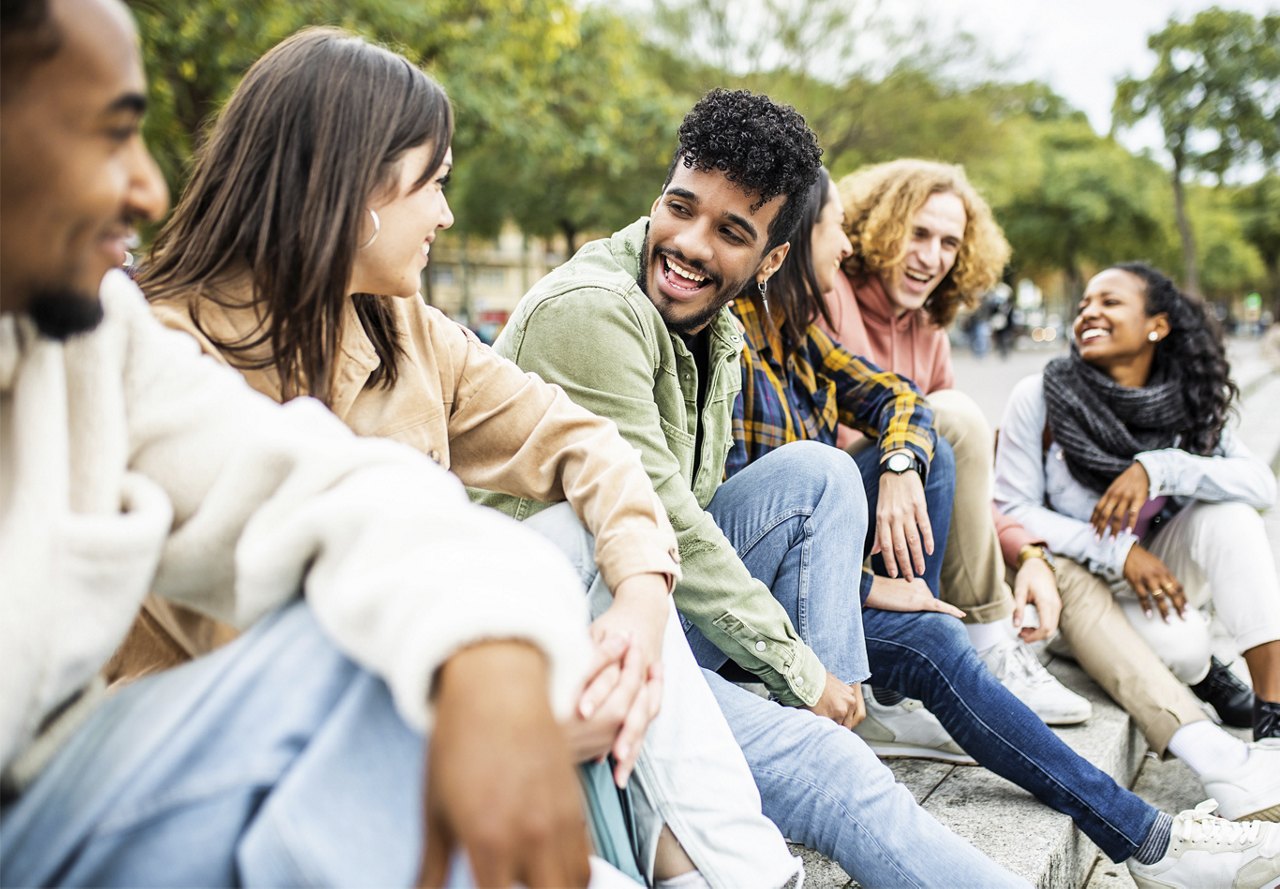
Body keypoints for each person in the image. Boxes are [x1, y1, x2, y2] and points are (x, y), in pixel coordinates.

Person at [484, 89, 1280, 889]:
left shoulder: (726, 329)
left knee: (849, 474)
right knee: (863, 731)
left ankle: (874, 703)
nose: (689, 243)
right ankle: (868, 721)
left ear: (767, 261)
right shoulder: (599, 313)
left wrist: (893, 509)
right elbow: (672, 523)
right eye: (680, 207)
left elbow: (887, 423)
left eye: (730, 230)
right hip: (580, 633)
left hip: (675, 607)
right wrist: (806, 669)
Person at [133, 27, 800, 889]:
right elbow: (265, 641)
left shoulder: (399, 324)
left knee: (588, 545)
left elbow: (582, 443)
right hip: (253, 755)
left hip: (449, 685)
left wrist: (640, 593)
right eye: (435, 184)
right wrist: (507, 716)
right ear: (352, 188)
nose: (447, 215)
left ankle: (731, 872)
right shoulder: (164, 353)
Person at [0, 0, 625, 885]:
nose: (146, 187)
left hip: (94, 795)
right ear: (349, 187)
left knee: (525, 589)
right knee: (367, 651)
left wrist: (498, 647)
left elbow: (319, 488)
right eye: (110, 135)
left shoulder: (92, 341)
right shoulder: (170, 331)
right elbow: (244, 634)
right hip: (150, 780)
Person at [994, 262, 1280, 813]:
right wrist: (1119, 551)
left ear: (1157, 325)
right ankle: (1203, 674)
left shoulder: (1190, 401)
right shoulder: (1042, 395)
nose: (1089, 313)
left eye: (1110, 302)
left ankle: (1272, 717)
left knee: (1232, 516)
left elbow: (1260, 484)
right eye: (1085, 305)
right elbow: (1013, 508)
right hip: (1077, 582)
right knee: (1186, 647)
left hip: (1166, 567)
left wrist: (1161, 467)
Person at [818, 158, 1092, 727]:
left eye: (950, 242)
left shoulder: (930, 331)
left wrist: (1028, 552)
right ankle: (975, 646)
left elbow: (967, 479)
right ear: (879, 227)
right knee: (951, 417)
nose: (932, 255)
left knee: (949, 431)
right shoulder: (830, 292)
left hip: (909, 524)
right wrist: (897, 459)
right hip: (834, 520)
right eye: (918, 233)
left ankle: (976, 642)